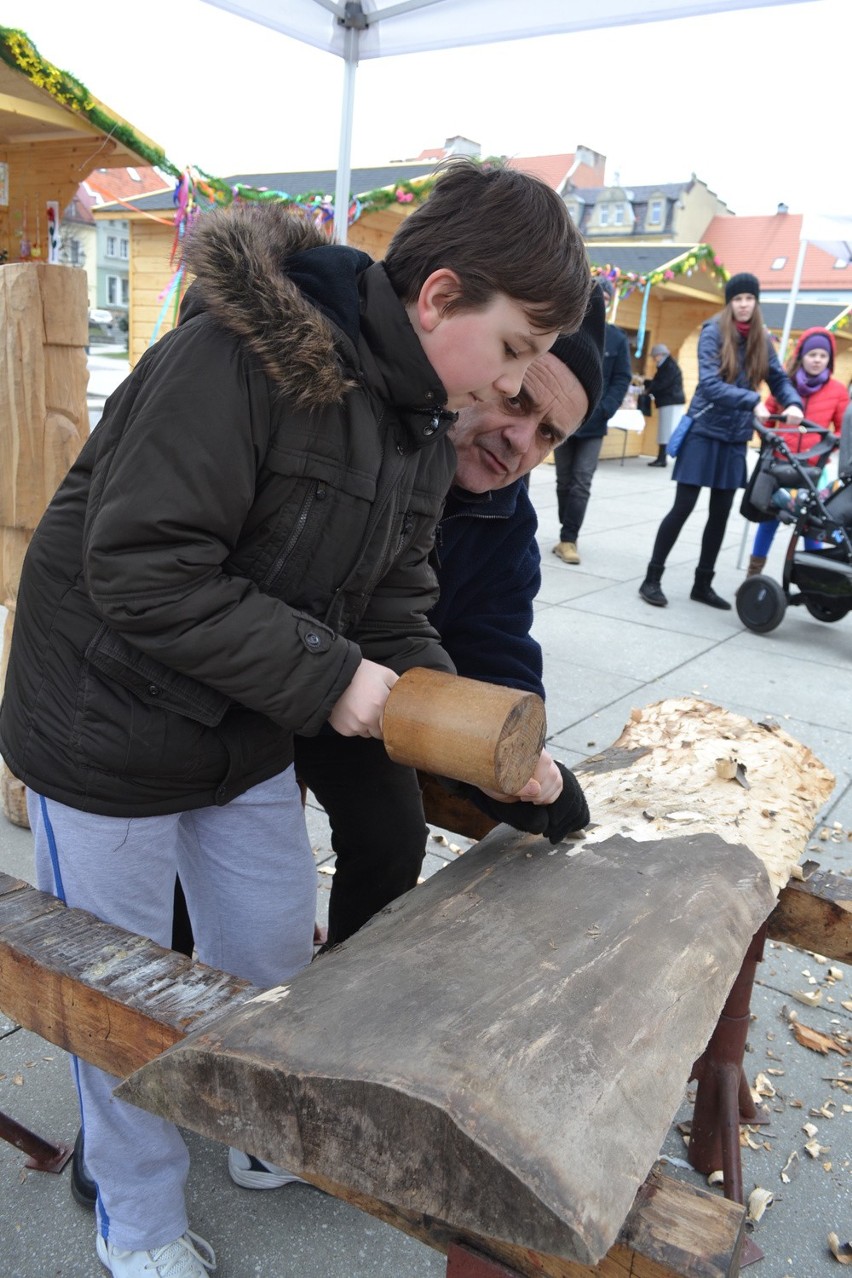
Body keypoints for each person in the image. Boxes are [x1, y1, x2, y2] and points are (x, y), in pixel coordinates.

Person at [0, 160, 591, 1278]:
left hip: (240, 721)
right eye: (513, 349)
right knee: (120, 998)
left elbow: (394, 599)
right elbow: (141, 566)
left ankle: (245, 1125)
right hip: (106, 728)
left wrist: (461, 716)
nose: (513, 389)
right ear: (438, 298)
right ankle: (139, 1214)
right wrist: (333, 680)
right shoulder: (237, 358)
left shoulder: (417, 422)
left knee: (269, 949)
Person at [297, 285, 607, 955]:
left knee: (391, 835)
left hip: (370, 694)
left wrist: (521, 763)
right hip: (262, 661)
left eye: (550, 434)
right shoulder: (371, 430)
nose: (521, 439)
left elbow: (494, 651)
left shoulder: (507, 523)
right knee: (229, 827)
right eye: (519, 400)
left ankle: (341, 993)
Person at [638, 272, 803, 610]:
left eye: (749, 299)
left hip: (734, 437)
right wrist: (750, 400)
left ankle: (703, 584)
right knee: (682, 507)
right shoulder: (713, 332)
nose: (743, 305)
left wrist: (793, 402)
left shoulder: (761, 339)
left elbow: (778, 377)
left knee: (720, 513)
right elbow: (710, 384)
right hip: (704, 431)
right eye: (738, 299)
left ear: (756, 303)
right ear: (730, 302)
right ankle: (651, 579)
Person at [746, 327, 848, 575]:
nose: (816, 360)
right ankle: (753, 574)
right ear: (802, 355)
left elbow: (844, 428)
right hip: (781, 465)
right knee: (767, 522)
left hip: (811, 470)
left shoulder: (836, 391)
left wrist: (829, 443)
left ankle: (809, 577)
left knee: (810, 524)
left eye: (822, 356)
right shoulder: (786, 386)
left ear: (829, 360)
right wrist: (770, 439)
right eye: (812, 354)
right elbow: (767, 418)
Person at [552, 277, 632, 565]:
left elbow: (622, 377)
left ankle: (569, 538)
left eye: (606, 300)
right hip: (564, 422)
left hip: (595, 424)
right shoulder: (566, 330)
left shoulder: (618, 339)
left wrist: (606, 408)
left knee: (581, 482)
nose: (600, 304)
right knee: (564, 482)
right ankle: (566, 530)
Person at [643, 343, 686, 468]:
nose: (653, 359)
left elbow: (663, 383)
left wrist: (649, 389)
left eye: (654, 356)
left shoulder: (668, 366)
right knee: (667, 430)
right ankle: (662, 457)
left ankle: (662, 458)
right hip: (670, 401)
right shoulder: (667, 365)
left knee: (667, 431)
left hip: (670, 402)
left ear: (659, 355)